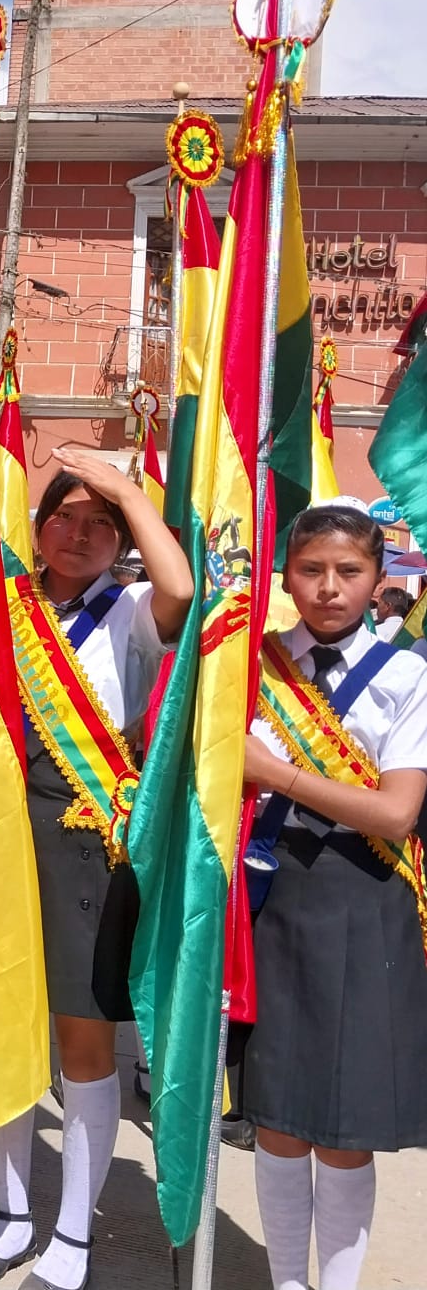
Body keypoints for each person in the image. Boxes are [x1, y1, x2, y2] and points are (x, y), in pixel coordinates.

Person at [0, 449, 192, 1290]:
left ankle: (71, 1233)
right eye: (66, 516)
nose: (80, 534)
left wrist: (126, 486)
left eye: (103, 524)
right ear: (39, 524)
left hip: (83, 836)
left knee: (81, 1043)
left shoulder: (128, 609)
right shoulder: (2, 604)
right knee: (0, 1028)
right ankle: (10, 1214)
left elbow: (184, 594)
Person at [241, 505, 427, 1290]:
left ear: (379, 579)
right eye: (311, 570)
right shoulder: (253, 666)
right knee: (279, 1118)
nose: (329, 588)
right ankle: (288, 1282)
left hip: (364, 900)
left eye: (349, 572)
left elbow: (395, 812)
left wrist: (273, 771)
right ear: (287, 578)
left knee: (344, 1125)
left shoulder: (409, 677)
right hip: (270, 898)